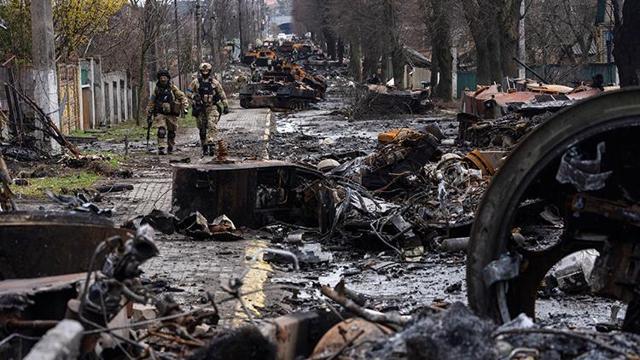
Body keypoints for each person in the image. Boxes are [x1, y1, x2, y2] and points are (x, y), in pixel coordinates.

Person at [188, 63, 229, 156]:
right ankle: (204, 146)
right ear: (200, 71)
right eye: (203, 71)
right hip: (200, 109)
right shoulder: (195, 82)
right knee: (202, 130)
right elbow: (188, 92)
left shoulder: (215, 82)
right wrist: (194, 97)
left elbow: (222, 93)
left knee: (212, 125)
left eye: (207, 71)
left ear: (210, 71)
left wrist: (225, 105)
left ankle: (211, 143)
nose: (205, 73)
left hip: (212, 107)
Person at [146, 69, 188, 155]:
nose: (163, 79)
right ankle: (161, 147)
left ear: (168, 78)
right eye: (161, 77)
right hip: (160, 113)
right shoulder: (157, 89)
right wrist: (149, 112)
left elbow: (182, 96)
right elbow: (152, 101)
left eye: (165, 77)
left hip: (171, 114)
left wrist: (185, 106)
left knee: (171, 132)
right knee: (161, 130)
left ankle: (170, 146)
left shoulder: (172, 88)